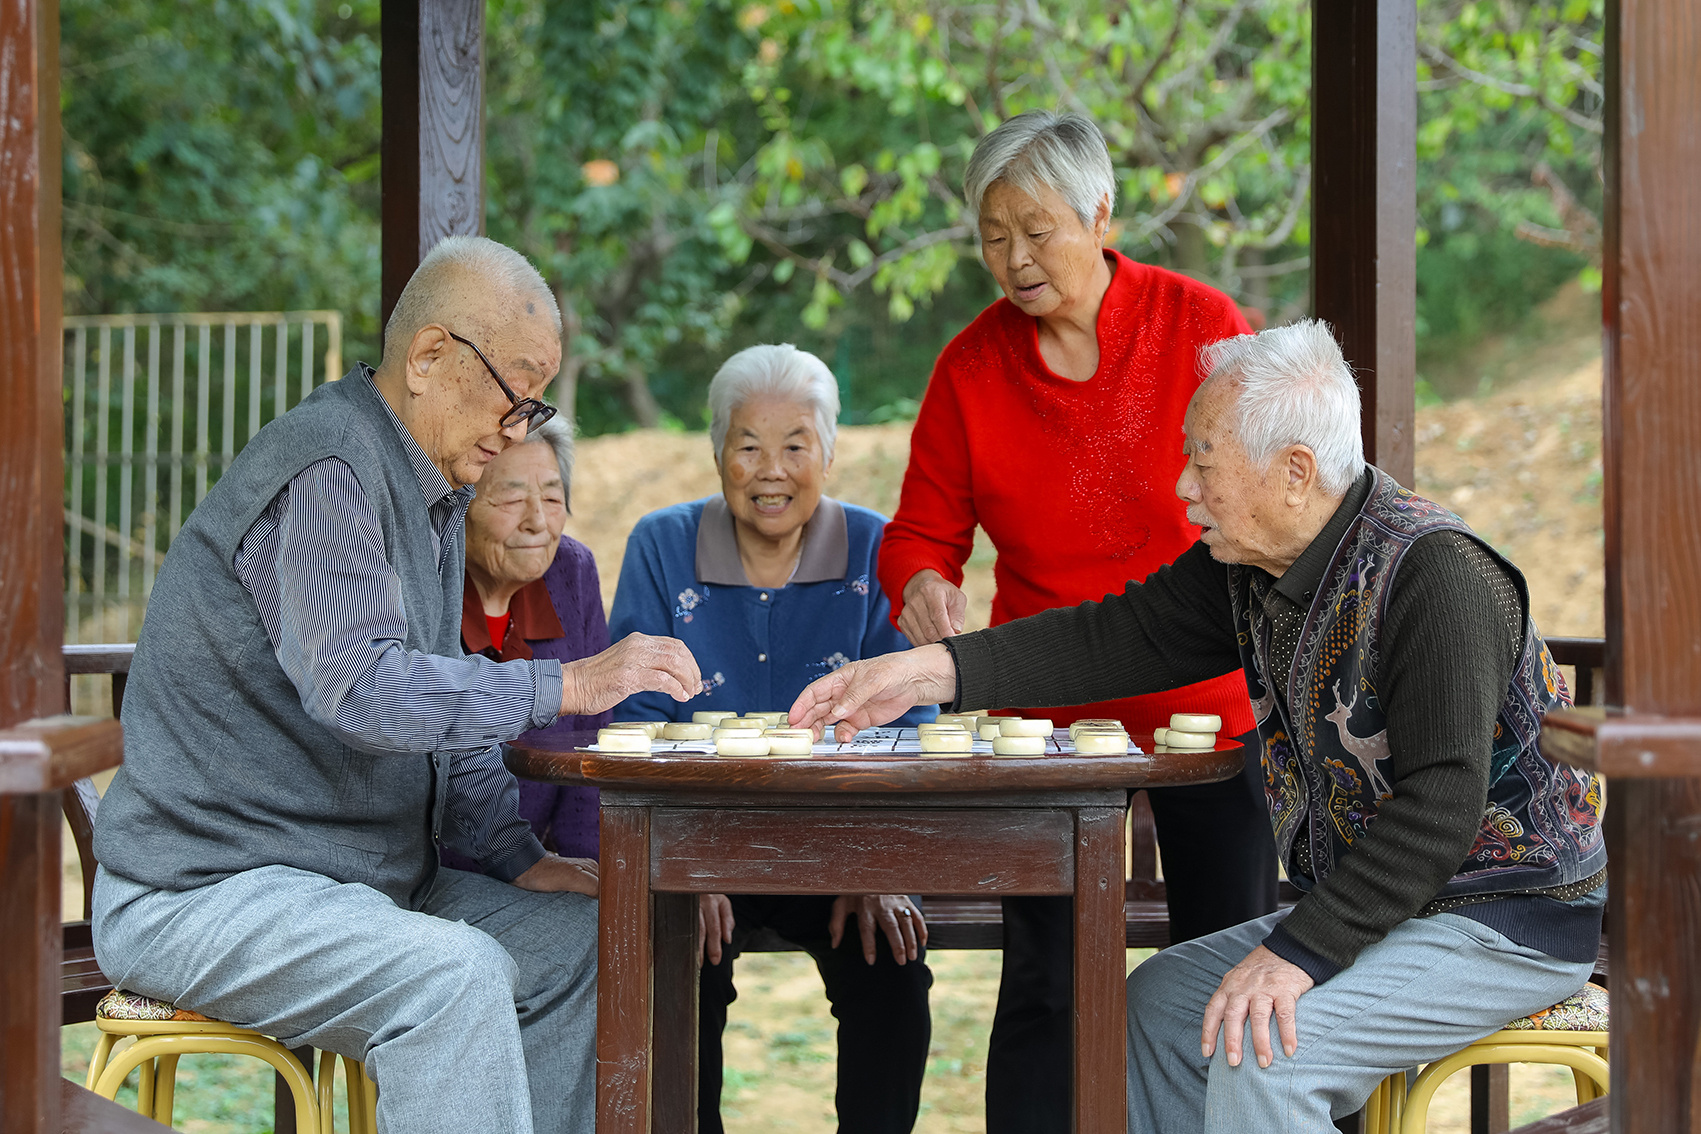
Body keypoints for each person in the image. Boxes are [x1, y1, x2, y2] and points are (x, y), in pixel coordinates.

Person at [792, 320, 1607, 1134]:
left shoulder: (1437, 574)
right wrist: (922, 671)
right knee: (1159, 1008)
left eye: (1202, 459)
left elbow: (1439, 807)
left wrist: (1296, 954)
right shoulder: (1253, 563)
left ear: (1294, 472)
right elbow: (1116, 636)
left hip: (1500, 919)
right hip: (1396, 908)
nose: (1182, 485)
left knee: (1265, 1052)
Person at [89, 236, 703, 1134]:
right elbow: (367, 692)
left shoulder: (431, 491)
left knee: (589, 946)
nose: (520, 424)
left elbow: (436, 701)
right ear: (429, 356)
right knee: (452, 975)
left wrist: (520, 858)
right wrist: (564, 683)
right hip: (206, 889)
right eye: (516, 392)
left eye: (538, 402)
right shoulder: (329, 467)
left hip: (356, 884)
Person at [875, 108, 1276, 1129]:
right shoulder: (970, 368)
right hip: (1046, 720)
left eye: (1035, 228)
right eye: (991, 232)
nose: (1012, 257)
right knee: (1047, 977)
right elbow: (920, 532)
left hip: (1207, 709)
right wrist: (921, 582)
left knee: (1233, 961)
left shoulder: (1201, 327)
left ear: (1101, 215)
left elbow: (1272, 501)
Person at [609, 343, 934, 1134]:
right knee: (678, 968)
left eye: (795, 446)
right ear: (717, 450)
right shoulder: (661, 545)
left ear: (829, 451)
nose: (771, 469)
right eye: (748, 445)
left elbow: (910, 722)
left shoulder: (874, 547)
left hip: (841, 844)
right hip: (698, 846)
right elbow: (636, 721)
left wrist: (876, 865)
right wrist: (683, 868)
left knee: (890, 964)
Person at [447, 417, 608, 866]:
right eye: (513, 497)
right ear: (460, 503)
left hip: (544, 866)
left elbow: (594, 741)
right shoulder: (428, 580)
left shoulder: (571, 571)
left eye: (553, 498)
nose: (537, 521)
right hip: (436, 872)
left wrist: (590, 875)